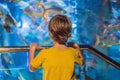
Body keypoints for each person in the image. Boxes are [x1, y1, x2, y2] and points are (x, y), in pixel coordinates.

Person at [29, 15, 84, 80]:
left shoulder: (45, 53)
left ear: (51, 34)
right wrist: (77, 47)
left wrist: (32, 49)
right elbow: (82, 62)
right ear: (69, 34)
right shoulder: (72, 52)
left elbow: (32, 68)